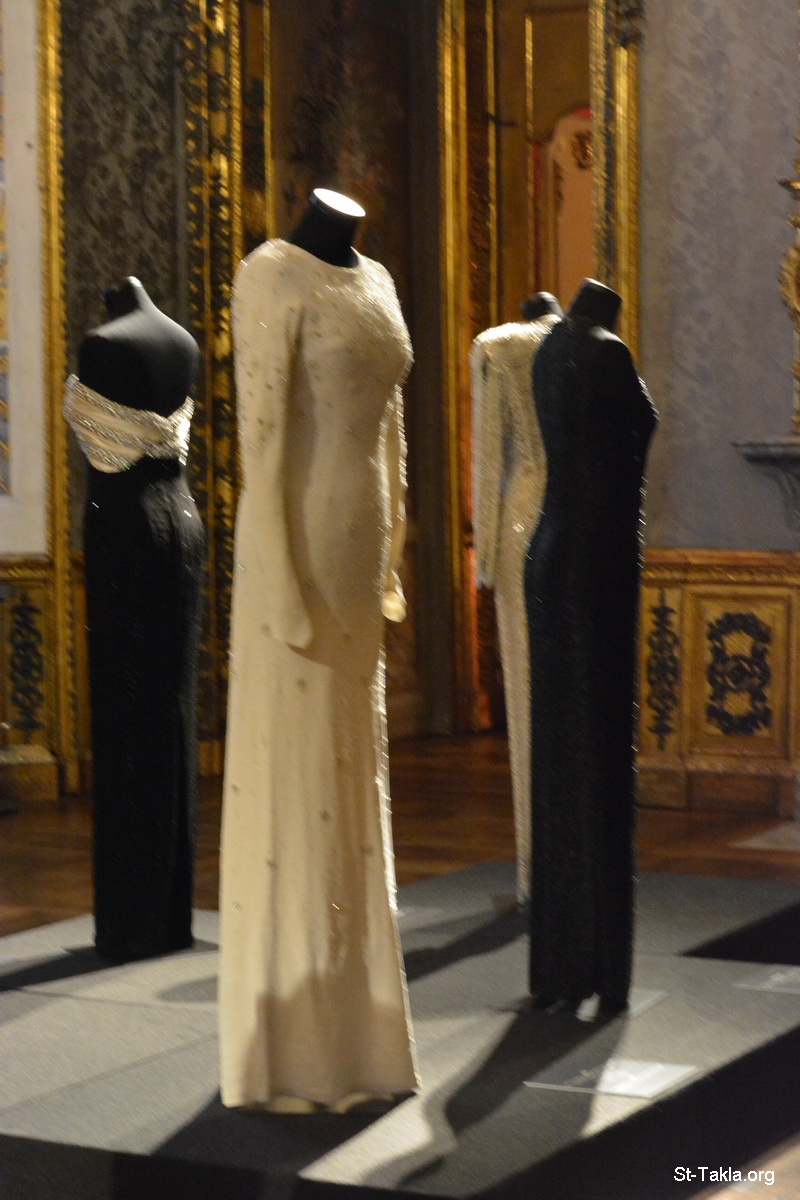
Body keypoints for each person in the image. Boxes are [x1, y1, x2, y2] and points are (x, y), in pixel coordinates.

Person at [219, 189, 419, 1110]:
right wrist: (277, 581)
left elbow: (393, 431)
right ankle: (294, 1051)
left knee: (351, 779)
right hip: (300, 547)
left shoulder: (377, 279)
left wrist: (396, 542)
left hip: (359, 546)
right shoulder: (270, 274)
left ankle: (357, 1037)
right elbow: (259, 441)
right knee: (301, 780)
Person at [525, 278, 657, 1010]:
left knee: (559, 758)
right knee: (597, 757)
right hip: (596, 562)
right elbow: (635, 440)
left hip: (550, 551)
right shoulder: (607, 352)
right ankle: (601, 968)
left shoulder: (551, 347)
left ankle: (560, 967)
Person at [64, 277, 204, 962]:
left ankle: (130, 922)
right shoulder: (183, 341)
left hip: (125, 527)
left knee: (126, 719)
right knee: (171, 711)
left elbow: (110, 457)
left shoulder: (102, 344)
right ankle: (169, 914)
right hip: (182, 518)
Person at [470, 293, 562, 903]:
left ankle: (536, 870)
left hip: (524, 525)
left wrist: (483, 561)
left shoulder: (499, 348)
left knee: (529, 700)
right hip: (583, 525)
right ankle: (571, 868)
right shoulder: (597, 344)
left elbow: (488, 460)